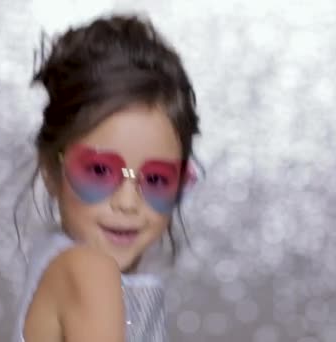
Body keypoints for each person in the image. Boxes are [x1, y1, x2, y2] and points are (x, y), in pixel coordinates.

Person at [11, 13, 201, 342]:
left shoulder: (59, 260)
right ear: (51, 170)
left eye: (155, 179)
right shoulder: (90, 273)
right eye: (100, 171)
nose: (128, 203)